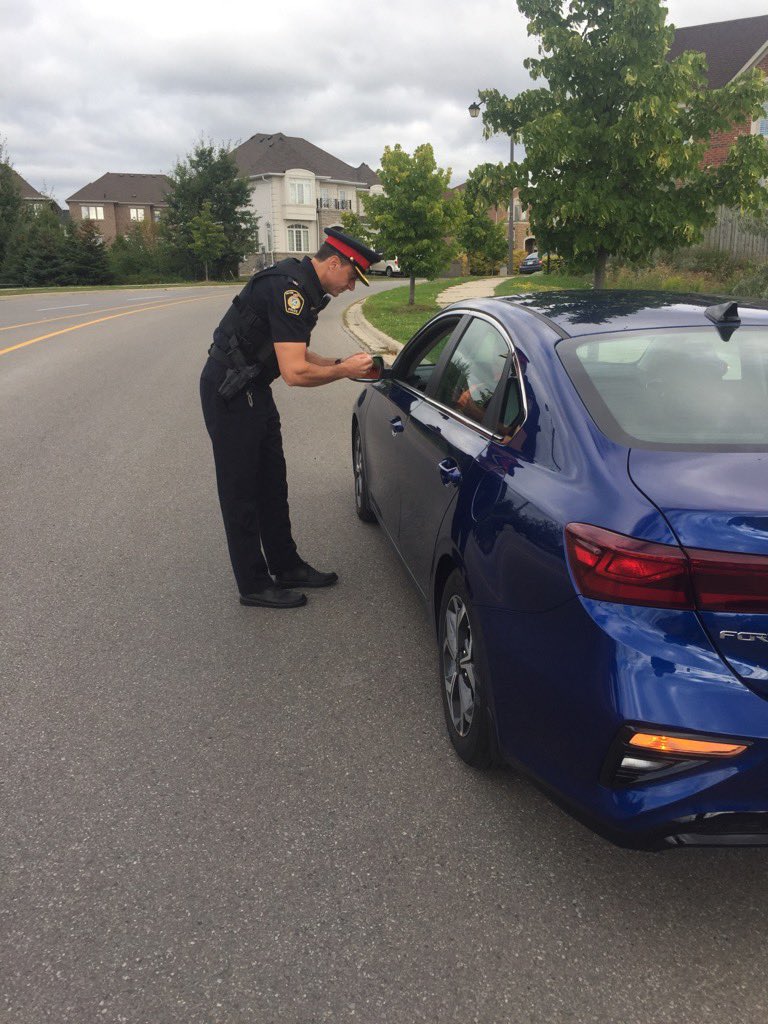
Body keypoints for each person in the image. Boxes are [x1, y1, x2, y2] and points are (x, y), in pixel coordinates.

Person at [200, 227, 382, 610]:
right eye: (352, 277)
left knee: (272, 482)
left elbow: (297, 352)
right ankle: (253, 584)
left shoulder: (304, 287)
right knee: (242, 492)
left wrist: (338, 363)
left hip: (254, 388)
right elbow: (295, 373)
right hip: (229, 390)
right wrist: (344, 371)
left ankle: (286, 565)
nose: (351, 287)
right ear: (334, 262)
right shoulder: (290, 291)